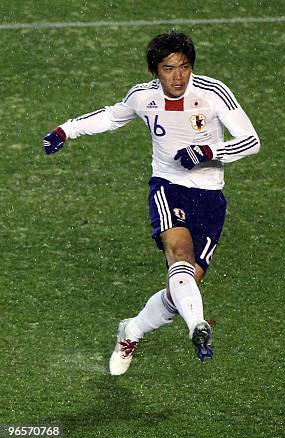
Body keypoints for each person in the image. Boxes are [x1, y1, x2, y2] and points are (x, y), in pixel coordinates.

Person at [42, 31, 260, 375]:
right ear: (155, 71)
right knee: (180, 256)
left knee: (179, 291)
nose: (178, 76)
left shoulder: (213, 93)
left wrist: (207, 151)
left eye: (185, 67)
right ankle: (198, 327)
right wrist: (64, 131)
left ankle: (131, 331)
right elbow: (110, 117)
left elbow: (250, 141)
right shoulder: (142, 97)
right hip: (168, 188)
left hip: (211, 198)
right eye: (169, 68)